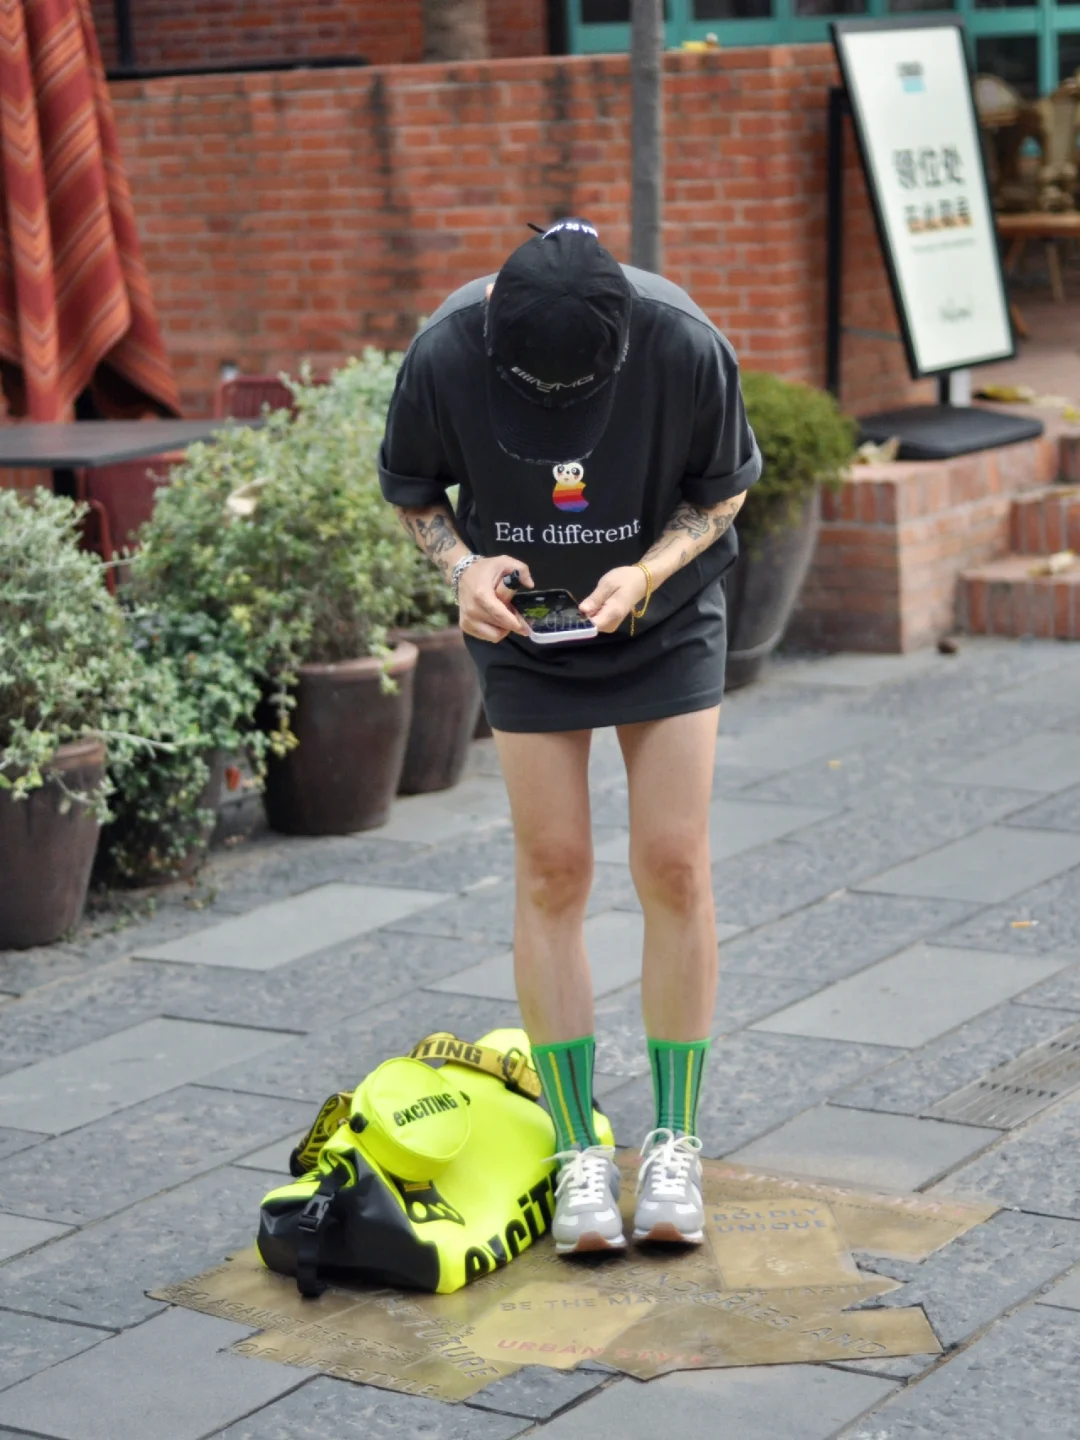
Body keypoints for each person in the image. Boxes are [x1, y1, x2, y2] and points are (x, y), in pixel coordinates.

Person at [379, 218, 760, 1255]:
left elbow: (723, 487)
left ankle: (675, 1139)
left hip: (662, 614)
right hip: (523, 625)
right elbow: (415, 489)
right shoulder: (447, 349)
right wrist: (461, 568)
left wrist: (649, 570)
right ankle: (575, 1148)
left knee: (674, 862)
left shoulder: (683, 340)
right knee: (553, 869)